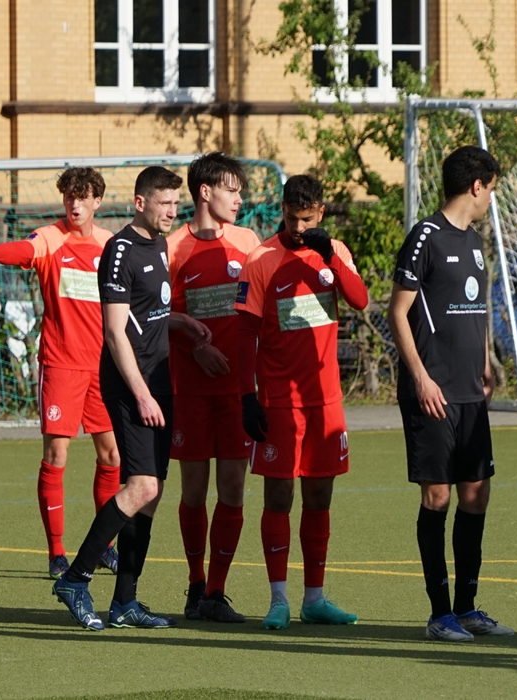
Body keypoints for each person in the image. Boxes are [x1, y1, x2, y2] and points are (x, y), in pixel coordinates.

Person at [51, 166, 211, 631]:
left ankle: (125, 602)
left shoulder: (158, 244)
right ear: (140, 203)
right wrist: (141, 394)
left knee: (150, 496)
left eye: (176, 203)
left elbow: (149, 312)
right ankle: (75, 579)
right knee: (142, 486)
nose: (172, 211)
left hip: (158, 383)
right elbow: (115, 332)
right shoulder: (119, 250)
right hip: (130, 385)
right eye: (164, 203)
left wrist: (181, 323)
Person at [0, 168, 120, 579]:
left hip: (103, 367)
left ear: (97, 201)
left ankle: (104, 546)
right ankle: (56, 552)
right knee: (57, 455)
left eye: (82, 197)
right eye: (69, 196)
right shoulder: (51, 238)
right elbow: (24, 249)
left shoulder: (109, 244)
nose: (75, 204)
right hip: (61, 364)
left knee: (112, 456)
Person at [388, 145, 514, 641]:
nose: (490, 199)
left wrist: (485, 362)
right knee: (437, 496)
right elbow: (398, 312)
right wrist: (421, 377)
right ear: (477, 185)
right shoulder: (426, 236)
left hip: (469, 392)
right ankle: (439, 614)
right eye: (491, 189)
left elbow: (475, 306)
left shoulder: (474, 240)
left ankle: (467, 607)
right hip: (433, 391)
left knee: (476, 494)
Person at [234, 174, 368, 631]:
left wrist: (330, 256)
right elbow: (245, 334)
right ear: (283, 211)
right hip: (279, 401)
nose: (297, 227)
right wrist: (247, 396)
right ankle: (278, 599)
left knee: (319, 497)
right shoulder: (261, 259)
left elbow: (360, 300)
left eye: (307, 219)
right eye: (291, 218)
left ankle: (315, 598)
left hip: (325, 401)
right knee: (279, 497)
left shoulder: (335, 251)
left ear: (321, 214)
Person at [166, 152, 260, 623]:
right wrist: (196, 346)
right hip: (189, 389)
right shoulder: (172, 248)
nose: (239, 199)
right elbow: (150, 316)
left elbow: (259, 307)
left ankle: (216, 593)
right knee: (193, 491)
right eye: (231, 190)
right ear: (205, 192)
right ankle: (194, 583)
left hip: (238, 390)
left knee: (234, 488)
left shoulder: (248, 242)